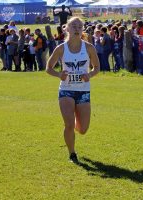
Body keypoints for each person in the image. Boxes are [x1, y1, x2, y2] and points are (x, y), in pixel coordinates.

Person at [46, 17, 100, 163]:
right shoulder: (61, 48)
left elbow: (97, 68)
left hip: (83, 91)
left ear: (82, 29)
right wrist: (59, 74)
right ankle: (72, 154)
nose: (77, 28)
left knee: (83, 130)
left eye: (79, 26)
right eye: (74, 26)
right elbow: (48, 68)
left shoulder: (88, 47)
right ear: (67, 29)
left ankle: (74, 118)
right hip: (66, 90)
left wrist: (89, 75)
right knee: (69, 124)